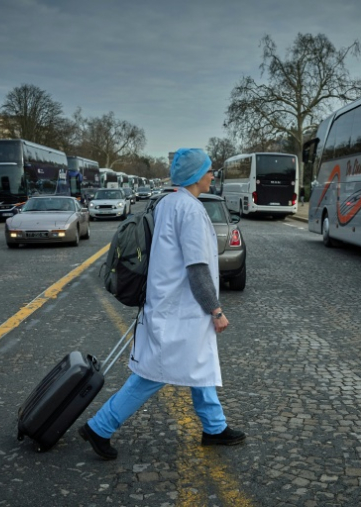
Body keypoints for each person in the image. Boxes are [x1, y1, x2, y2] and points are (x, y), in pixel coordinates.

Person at [79, 148, 246, 460]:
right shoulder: (192, 211)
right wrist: (216, 310)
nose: (213, 175)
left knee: (200, 366)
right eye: (209, 170)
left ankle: (215, 427)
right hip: (181, 311)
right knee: (152, 375)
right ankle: (99, 427)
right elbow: (197, 268)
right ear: (197, 175)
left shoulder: (168, 203)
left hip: (171, 306)